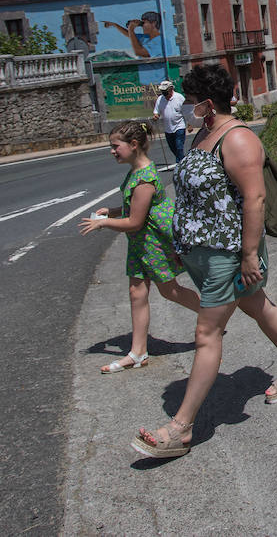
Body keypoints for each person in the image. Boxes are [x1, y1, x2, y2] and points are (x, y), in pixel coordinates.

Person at [133, 64, 277, 458]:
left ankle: (180, 429)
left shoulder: (237, 141)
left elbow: (255, 199)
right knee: (255, 303)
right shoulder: (205, 133)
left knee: (207, 333)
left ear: (209, 103)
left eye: (192, 101)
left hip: (228, 255)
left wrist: (249, 255)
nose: (185, 108)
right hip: (204, 253)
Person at [80, 121, 200, 373]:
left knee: (170, 291)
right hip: (140, 245)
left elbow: (135, 222)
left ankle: (212, 318)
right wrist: (111, 211)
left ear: (133, 145)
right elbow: (135, 208)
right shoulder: (136, 171)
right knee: (137, 293)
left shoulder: (144, 178)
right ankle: (138, 352)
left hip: (151, 243)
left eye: (115, 146)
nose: (112, 151)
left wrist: (103, 223)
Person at [151, 80, 187, 165]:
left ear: (171, 89)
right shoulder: (160, 99)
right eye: (162, 92)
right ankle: (183, 160)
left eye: (165, 91)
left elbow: (186, 111)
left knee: (179, 147)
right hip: (168, 128)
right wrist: (156, 116)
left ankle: (180, 163)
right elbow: (156, 111)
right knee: (172, 148)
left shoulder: (179, 97)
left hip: (179, 126)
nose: (164, 93)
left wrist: (189, 124)